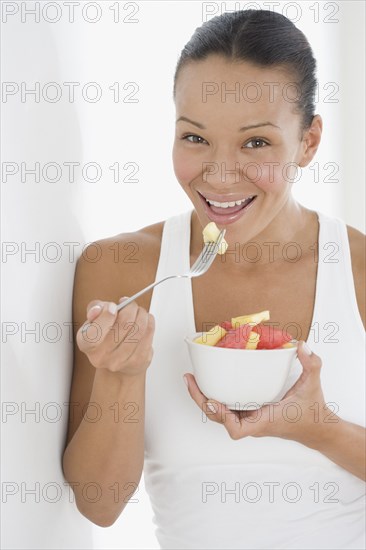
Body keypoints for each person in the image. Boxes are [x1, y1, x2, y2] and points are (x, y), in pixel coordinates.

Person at [62, 9, 365, 549]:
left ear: (310, 142)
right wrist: (121, 375)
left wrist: (320, 427)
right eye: (195, 138)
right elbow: (99, 504)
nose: (221, 175)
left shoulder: (359, 271)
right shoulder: (119, 269)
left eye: (255, 143)